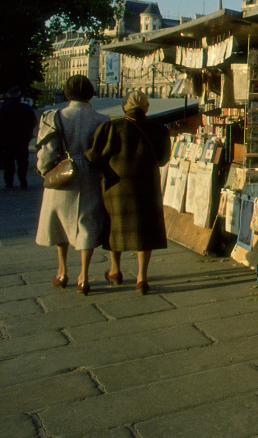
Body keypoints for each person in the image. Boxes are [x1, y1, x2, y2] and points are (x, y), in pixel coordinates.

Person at [86, 90, 171, 295]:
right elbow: (162, 159)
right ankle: (142, 277)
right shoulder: (159, 129)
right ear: (146, 107)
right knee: (145, 229)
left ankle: (115, 269)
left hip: (116, 186)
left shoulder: (110, 127)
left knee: (115, 227)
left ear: (124, 107)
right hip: (147, 185)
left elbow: (94, 156)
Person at [35, 76, 109, 295]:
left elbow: (48, 151)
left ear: (67, 93)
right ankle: (84, 276)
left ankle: (62, 271)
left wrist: (45, 170)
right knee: (85, 222)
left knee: (59, 222)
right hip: (89, 172)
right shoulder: (102, 119)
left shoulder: (54, 117)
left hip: (62, 171)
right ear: (90, 93)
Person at [0, 87, 37, 189]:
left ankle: (9, 182)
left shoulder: (3, 108)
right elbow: (33, 122)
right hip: (22, 138)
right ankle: (23, 180)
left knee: (8, 162)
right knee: (22, 161)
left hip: (7, 139)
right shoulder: (26, 108)